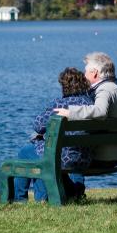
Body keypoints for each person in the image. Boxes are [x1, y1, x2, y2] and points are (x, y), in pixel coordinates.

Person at [12, 67, 94, 202]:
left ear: (64, 86)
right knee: (39, 153)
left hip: (61, 158)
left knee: (25, 152)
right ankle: (74, 193)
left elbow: (38, 125)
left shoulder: (60, 104)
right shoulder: (90, 104)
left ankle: (20, 199)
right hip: (84, 157)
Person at [54, 51, 117, 173]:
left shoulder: (104, 90)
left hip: (101, 157)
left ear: (94, 73)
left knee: (71, 152)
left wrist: (70, 112)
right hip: (116, 154)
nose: (84, 75)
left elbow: (100, 112)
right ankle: (73, 189)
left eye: (86, 71)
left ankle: (73, 189)